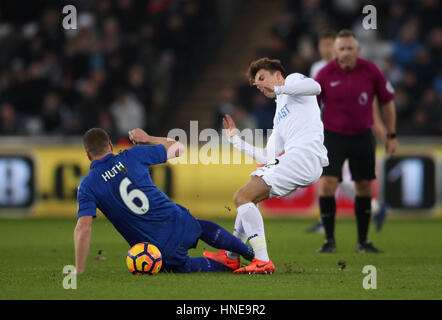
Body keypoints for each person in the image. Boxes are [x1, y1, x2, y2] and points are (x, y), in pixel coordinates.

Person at [204, 58, 329, 274]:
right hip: (299, 160)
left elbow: (316, 87)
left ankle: (262, 261)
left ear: (278, 74)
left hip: (305, 156)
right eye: (256, 83)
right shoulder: (279, 113)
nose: (260, 85)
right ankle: (232, 256)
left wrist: (280, 87)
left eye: (262, 79)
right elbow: (268, 155)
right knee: (248, 196)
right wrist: (235, 140)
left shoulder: (293, 81)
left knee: (242, 197)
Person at [74, 128, 255, 274]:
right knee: (200, 227)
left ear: (88, 155)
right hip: (177, 220)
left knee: (179, 266)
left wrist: (79, 270)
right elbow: (179, 148)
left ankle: (228, 266)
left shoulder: (87, 185)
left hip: (157, 248)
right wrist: (147, 137)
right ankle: (251, 254)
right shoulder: (134, 155)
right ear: (111, 146)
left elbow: (84, 227)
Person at [314, 29, 399, 253]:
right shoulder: (324, 74)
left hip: (362, 135)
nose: (346, 52)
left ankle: (362, 241)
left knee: (364, 186)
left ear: (358, 50)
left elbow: (388, 102)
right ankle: (329, 240)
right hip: (332, 135)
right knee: (327, 183)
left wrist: (391, 134)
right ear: (335, 51)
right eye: (341, 48)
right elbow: (310, 107)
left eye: (350, 48)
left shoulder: (371, 71)